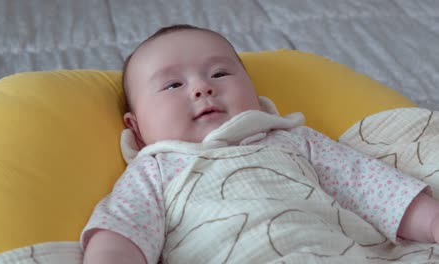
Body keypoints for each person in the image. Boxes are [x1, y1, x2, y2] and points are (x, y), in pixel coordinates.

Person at [81, 24, 439, 264]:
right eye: (173, 85)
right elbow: (123, 231)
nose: (201, 88)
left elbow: (369, 186)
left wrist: (431, 221)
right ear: (137, 128)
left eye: (220, 73)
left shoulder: (292, 140)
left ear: (255, 94)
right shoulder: (156, 168)